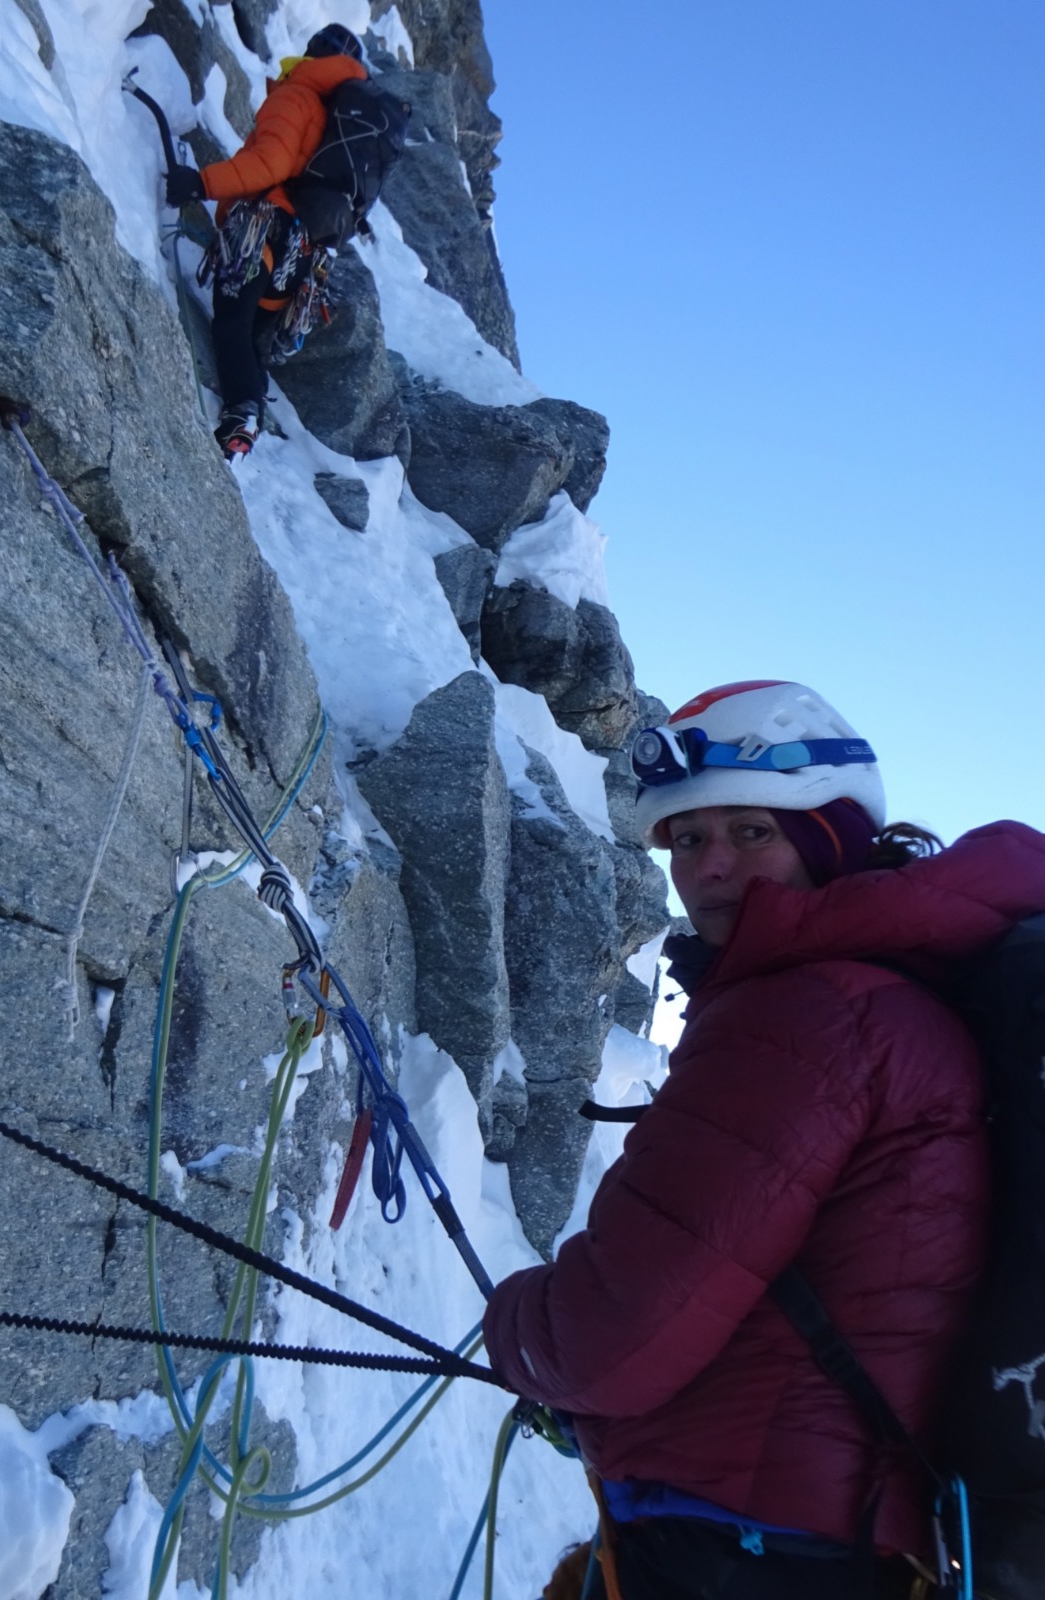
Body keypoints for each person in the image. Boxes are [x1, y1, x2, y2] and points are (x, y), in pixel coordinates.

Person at [482, 678, 1045, 1599]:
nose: (710, 867)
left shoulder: (805, 1015)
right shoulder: (898, 996)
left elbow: (611, 1336)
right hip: (837, 1539)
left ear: (829, 840)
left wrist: (512, 1328)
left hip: (744, 1545)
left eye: (751, 831)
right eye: (687, 839)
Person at [166, 23, 368, 459]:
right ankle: (245, 418)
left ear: (314, 51)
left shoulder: (300, 96)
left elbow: (270, 163)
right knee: (248, 335)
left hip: (262, 233)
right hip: (303, 260)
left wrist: (201, 183)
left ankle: (242, 415)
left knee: (231, 323)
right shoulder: (341, 123)